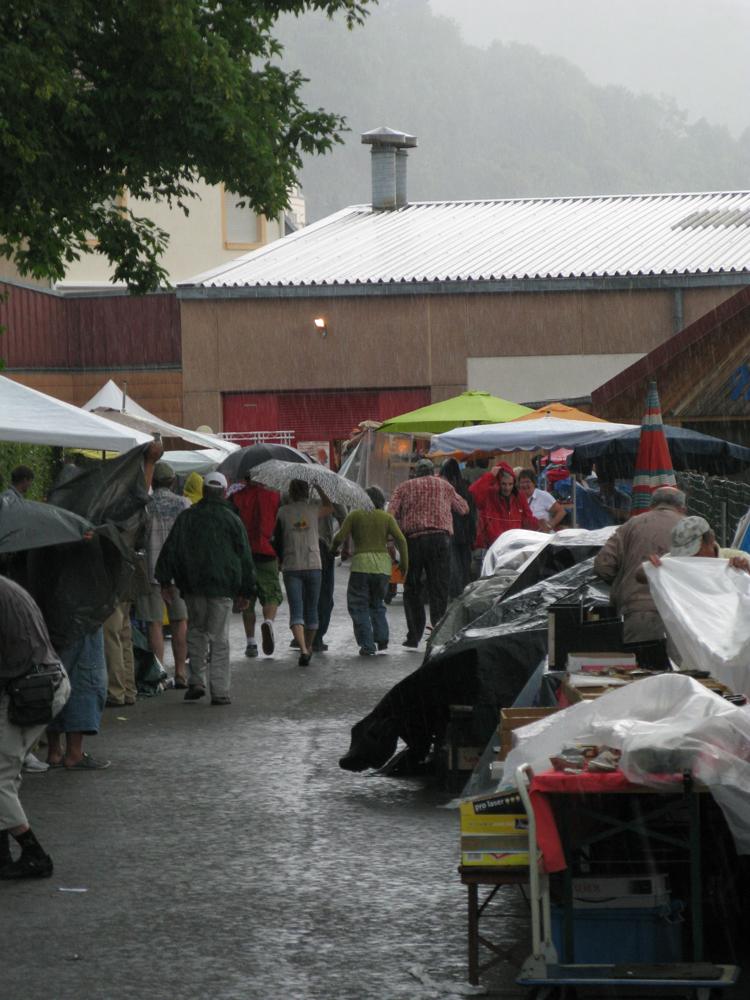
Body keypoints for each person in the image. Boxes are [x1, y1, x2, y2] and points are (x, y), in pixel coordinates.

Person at [156, 471, 256, 705]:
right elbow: (245, 558)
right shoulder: (233, 519)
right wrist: (246, 591)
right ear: (223, 491)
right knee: (220, 638)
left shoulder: (187, 517)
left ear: (203, 491)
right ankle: (220, 691)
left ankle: (196, 681)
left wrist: (164, 581)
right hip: (222, 588)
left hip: (192, 586)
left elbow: (171, 549)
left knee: (196, 631)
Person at [0, 577, 70, 879]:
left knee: (0, 777)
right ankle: (3, 857)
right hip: (43, 682)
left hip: (30, 689)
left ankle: (34, 852)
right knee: (7, 772)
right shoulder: (7, 587)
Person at [388, 458, 469, 648]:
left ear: (416, 472)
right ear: (433, 472)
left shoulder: (404, 487)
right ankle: (438, 634)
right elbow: (463, 509)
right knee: (438, 588)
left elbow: (390, 513)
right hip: (441, 541)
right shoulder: (445, 486)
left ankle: (414, 635)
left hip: (414, 541)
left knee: (413, 587)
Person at [593, 486, 686, 644]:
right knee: (681, 668)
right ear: (682, 508)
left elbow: (603, 566)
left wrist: (623, 582)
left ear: (652, 505)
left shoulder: (631, 525)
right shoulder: (691, 528)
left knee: (642, 665)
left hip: (638, 612)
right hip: (683, 614)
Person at [332, 485, 409, 656]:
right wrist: (404, 564)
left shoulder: (355, 515)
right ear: (382, 501)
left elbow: (339, 537)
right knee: (377, 603)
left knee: (359, 606)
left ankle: (367, 645)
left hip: (361, 566)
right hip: (382, 568)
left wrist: (332, 550)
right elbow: (401, 541)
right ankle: (382, 638)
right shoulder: (386, 518)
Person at [135, 461, 191, 686]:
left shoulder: (145, 506)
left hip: (151, 570)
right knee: (180, 621)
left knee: (154, 624)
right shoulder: (184, 504)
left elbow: (138, 538)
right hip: (179, 572)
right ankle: (180, 672)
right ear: (172, 481)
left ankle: (158, 675)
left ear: (153, 481)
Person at [273, 479, 333, 666]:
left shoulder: (282, 512)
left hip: (291, 565)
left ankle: (303, 648)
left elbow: (276, 536)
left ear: (290, 492)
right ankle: (308, 646)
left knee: (296, 611)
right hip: (314, 564)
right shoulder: (314, 509)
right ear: (307, 492)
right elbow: (330, 507)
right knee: (312, 610)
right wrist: (319, 488)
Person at [231, 474, 282, 659]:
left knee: (247, 598)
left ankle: (251, 643)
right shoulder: (274, 496)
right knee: (271, 594)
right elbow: (279, 524)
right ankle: (268, 621)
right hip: (268, 550)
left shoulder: (237, 497)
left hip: (244, 553)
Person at [469, 462, 538, 549]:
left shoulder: (519, 497)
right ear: (498, 483)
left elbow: (528, 519)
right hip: (491, 546)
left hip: (514, 545)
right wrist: (490, 476)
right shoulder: (489, 495)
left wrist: (539, 525)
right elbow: (473, 493)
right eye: (504, 484)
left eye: (510, 484)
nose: (507, 488)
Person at [440, 458, 477, 596]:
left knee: (453, 568)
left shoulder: (447, 489)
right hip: (466, 534)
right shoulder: (466, 488)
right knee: (464, 567)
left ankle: (456, 595)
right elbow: (471, 514)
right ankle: (464, 593)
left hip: (452, 533)